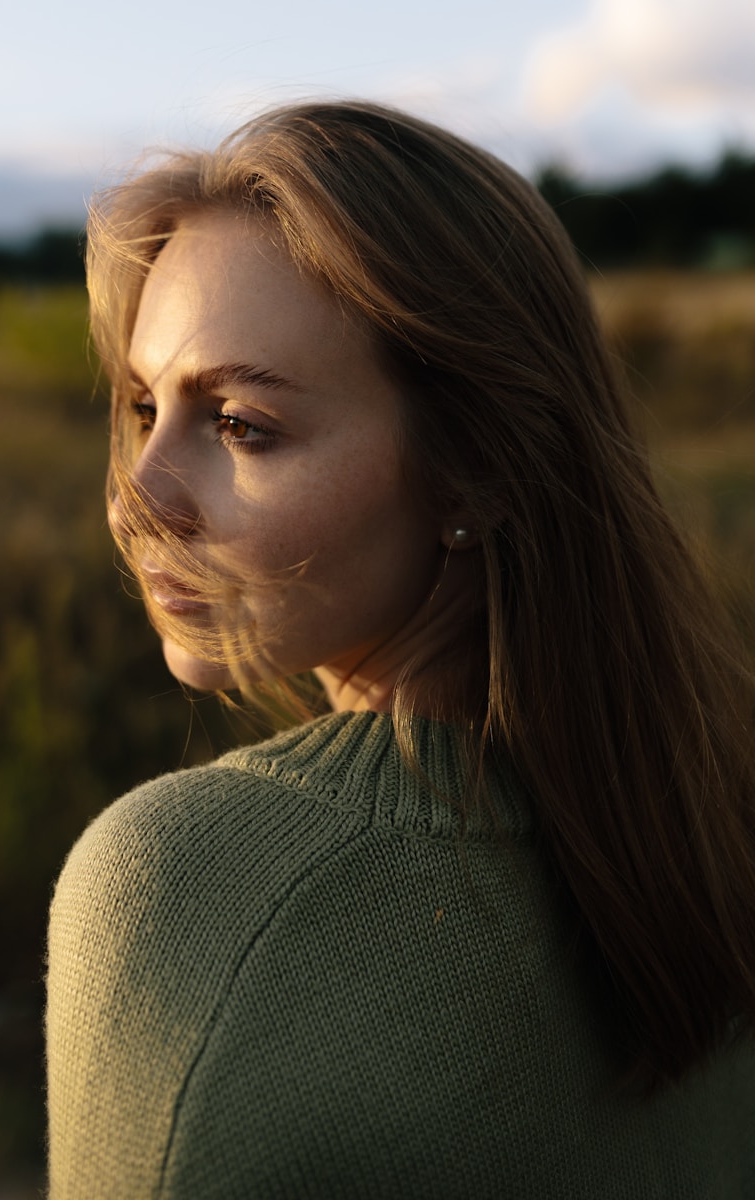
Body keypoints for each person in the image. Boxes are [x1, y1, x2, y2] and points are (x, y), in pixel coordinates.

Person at [46, 101, 755, 1197]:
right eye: (144, 407)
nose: (142, 494)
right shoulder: (702, 826)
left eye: (240, 425)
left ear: (473, 467)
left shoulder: (191, 891)